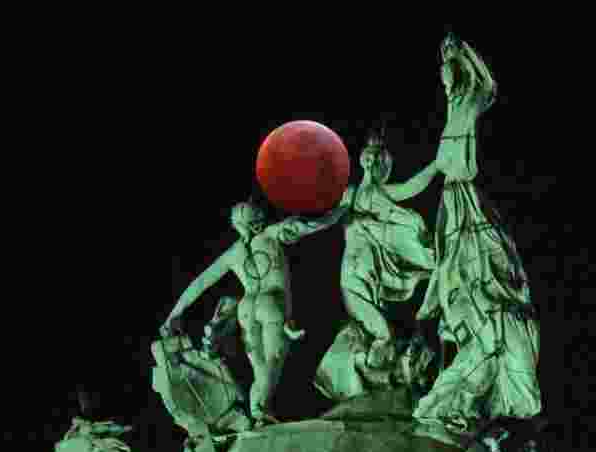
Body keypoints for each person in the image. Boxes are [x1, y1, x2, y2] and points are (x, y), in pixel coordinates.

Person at [414, 34, 543, 431]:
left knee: (486, 252)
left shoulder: (470, 103)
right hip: (450, 203)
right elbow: (429, 175)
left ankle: (489, 304)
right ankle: (463, 322)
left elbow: (488, 86)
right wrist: (379, 195)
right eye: (443, 75)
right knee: (453, 268)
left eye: (451, 74)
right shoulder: (451, 113)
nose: (447, 82)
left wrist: (462, 51)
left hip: (468, 198)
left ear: (461, 74)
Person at [164, 199, 346, 427]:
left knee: (260, 369)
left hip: (247, 307)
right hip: (272, 303)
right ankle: (259, 409)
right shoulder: (273, 233)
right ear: (258, 222)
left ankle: (258, 414)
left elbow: (200, 283)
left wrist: (174, 314)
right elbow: (314, 224)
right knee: (274, 360)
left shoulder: (233, 253)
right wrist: (343, 208)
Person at [314, 131, 439, 401]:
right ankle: (363, 389)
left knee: (376, 331)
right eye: (375, 161)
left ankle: (372, 384)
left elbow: (414, 186)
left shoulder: (380, 193)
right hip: (355, 274)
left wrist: (437, 165)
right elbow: (327, 218)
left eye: (380, 162)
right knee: (381, 332)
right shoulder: (352, 194)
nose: (377, 166)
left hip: (373, 276)